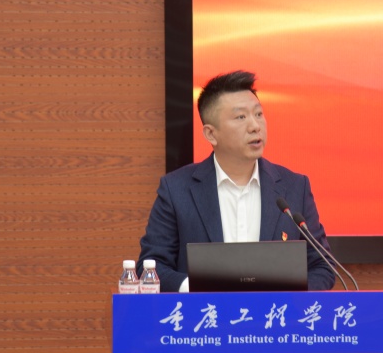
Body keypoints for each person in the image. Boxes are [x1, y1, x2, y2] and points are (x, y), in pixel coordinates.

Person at [137, 70, 335, 292]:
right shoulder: (176, 189)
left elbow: (322, 267)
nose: (255, 126)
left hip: (275, 313)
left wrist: (289, 297)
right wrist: (198, 289)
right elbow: (150, 268)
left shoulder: (294, 187)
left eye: (258, 114)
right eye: (241, 117)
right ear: (211, 134)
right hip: (206, 312)